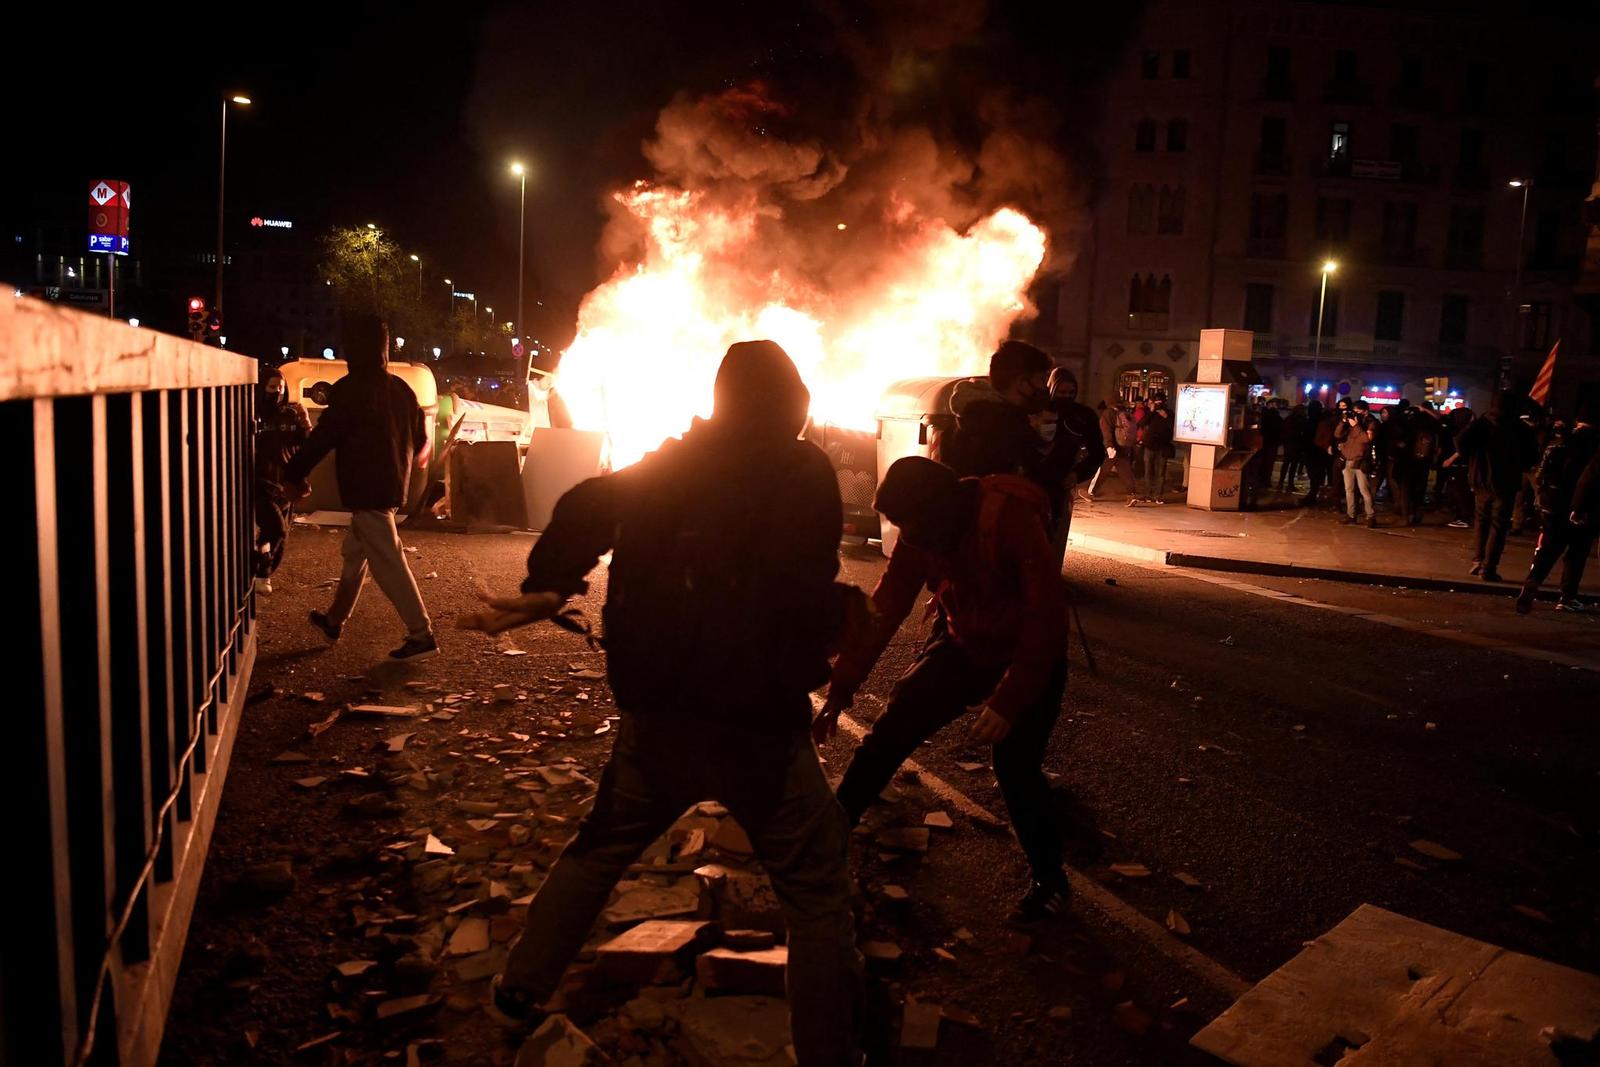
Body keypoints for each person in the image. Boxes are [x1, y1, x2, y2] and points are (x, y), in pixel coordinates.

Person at [462, 341, 862, 1065]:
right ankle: (830, 1053)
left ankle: (518, 990)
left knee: (601, 846)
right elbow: (799, 591)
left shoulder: (671, 463)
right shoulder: (801, 471)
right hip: (757, 727)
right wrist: (842, 619)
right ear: (792, 405)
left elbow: (587, 504)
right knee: (815, 887)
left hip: (660, 712)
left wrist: (550, 581)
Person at [815, 456, 1071, 925]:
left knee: (1015, 766)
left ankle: (1050, 883)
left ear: (937, 512)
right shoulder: (922, 534)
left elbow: (1046, 619)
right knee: (892, 730)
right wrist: (841, 687)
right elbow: (885, 609)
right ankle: (827, 838)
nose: (906, 537)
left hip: (1027, 656)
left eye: (908, 524)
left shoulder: (1007, 520)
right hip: (963, 644)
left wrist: (1008, 701)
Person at [282, 315, 438, 660]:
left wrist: (294, 473)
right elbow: (422, 436)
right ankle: (334, 620)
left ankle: (421, 633)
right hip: (392, 483)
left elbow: (324, 438)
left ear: (353, 349)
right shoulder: (400, 388)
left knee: (388, 559)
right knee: (356, 553)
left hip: (366, 488)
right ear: (384, 349)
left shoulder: (351, 390)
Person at [1516, 405, 1600, 614]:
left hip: (1554, 505)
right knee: (1576, 554)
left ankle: (1533, 581)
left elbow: (1542, 471)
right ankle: (1567, 596)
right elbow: (1589, 479)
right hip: (1581, 507)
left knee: (1549, 548)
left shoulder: (1561, 440)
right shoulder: (1594, 443)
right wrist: (1580, 507)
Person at [1456, 391, 1539, 582]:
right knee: (1498, 525)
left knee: (1482, 521)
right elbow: (1531, 456)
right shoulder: (1520, 428)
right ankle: (1489, 566)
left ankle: (1478, 560)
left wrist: (1473, 460)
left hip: (1481, 480)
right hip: (1506, 483)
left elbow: (1460, 443)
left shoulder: (1481, 424)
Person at [941, 339, 1051, 483]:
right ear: (1022, 383)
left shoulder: (964, 417)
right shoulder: (1012, 427)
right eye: (1042, 381)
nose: (1045, 388)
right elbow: (1043, 478)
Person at [253, 370, 311, 594]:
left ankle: (259, 568)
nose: (277, 391)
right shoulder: (255, 413)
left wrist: (305, 423)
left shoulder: (292, 413)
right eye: (272, 387)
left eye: (281, 387)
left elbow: (306, 444)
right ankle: (261, 572)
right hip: (261, 482)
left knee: (279, 537)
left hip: (285, 484)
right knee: (276, 529)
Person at [1041, 367, 1103, 563]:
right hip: (1034, 478)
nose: (1066, 397)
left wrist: (1077, 474)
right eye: (1061, 392)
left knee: (1053, 534)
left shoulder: (1083, 416)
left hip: (1061, 483)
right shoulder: (1037, 411)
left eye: (1070, 393)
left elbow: (1097, 453)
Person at [1334, 401, 1379, 526]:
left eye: (1358, 411)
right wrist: (1343, 422)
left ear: (1365, 411)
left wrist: (1356, 426)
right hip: (1347, 460)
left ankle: (1370, 516)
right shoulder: (1350, 424)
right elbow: (1337, 434)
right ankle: (1351, 515)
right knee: (1349, 490)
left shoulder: (1370, 422)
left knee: (1364, 490)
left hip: (1360, 461)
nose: (1355, 414)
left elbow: (1366, 439)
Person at [1137, 394, 1175, 504]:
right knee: (1148, 471)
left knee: (1160, 472)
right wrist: (1151, 411)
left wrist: (1166, 417)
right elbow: (1141, 423)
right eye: (1156, 403)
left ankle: (1158, 496)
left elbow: (1174, 427)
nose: (1159, 405)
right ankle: (1148, 494)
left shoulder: (1169, 413)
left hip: (1163, 447)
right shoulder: (1151, 413)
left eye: (1160, 403)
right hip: (1149, 446)